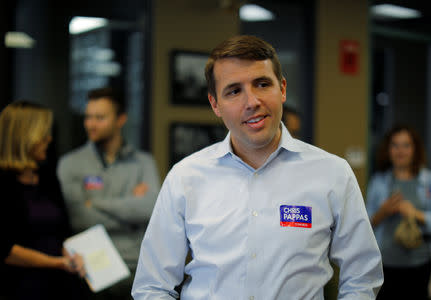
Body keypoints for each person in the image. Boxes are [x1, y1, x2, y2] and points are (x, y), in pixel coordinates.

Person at [132, 35, 383, 299]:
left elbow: (362, 276)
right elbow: (152, 285)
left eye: (262, 84)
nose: (251, 102)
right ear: (215, 104)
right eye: (234, 91)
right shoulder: (185, 177)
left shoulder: (333, 174)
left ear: (282, 89)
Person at [57, 87, 160, 299]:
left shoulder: (143, 162)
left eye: (100, 117)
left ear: (121, 119)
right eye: (88, 117)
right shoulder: (69, 164)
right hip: (91, 269)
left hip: (138, 268)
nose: (91, 124)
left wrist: (96, 203)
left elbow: (150, 209)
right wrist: (131, 206)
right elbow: (80, 219)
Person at [0, 101, 84, 300]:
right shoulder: (3, 182)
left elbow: (63, 231)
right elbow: (5, 249)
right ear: (24, 136)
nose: (49, 138)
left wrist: (70, 256)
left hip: (58, 285)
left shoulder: (47, 177)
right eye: (42, 133)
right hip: (18, 287)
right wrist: (55, 262)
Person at [366, 125, 431, 299]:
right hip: (384, 266)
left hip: (421, 265)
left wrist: (416, 213)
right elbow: (364, 224)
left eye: (406, 145)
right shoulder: (378, 182)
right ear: (388, 150)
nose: (400, 151)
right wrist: (383, 211)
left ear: (415, 149)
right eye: (395, 145)